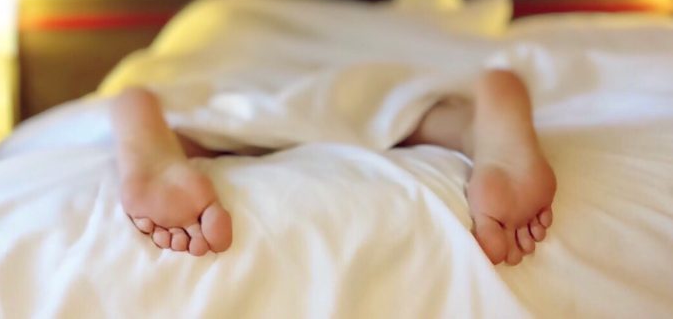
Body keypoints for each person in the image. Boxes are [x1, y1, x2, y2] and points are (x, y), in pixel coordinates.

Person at [111, 67, 556, 266]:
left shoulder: (227, 27)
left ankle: (154, 133)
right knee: (412, 113)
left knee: (214, 120)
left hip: (234, 86)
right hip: (380, 81)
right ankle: (477, 127)